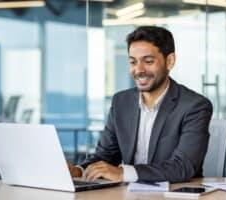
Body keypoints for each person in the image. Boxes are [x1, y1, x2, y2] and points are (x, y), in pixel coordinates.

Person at [68, 26, 213, 183]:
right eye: (133, 62)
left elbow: (182, 167)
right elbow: (105, 157)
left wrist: (123, 173)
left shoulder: (195, 106)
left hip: (175, 194)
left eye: (148, 61)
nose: (139, 70)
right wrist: (78, 170)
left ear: (170, 61)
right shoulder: (120, 102)